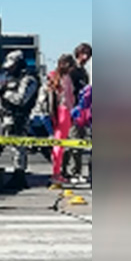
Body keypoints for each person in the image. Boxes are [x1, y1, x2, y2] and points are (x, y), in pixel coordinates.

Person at [0, 50, 40, 190]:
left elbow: (21, 99)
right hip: (6, 117)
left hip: (20, 118)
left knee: (18, 149)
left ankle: (19, 176)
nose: (9, 70)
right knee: (0, 147)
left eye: (12, 66)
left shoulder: (29, 79)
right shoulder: (11, 78)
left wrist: (5, 93)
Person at [48, 54, 77, 185]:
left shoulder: (53, 76)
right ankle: (56, 173)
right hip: (64, 111)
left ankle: (56, 171)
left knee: (58, 142)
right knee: (60, 143)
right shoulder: (65, 78)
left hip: (56, 111)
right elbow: (69, 98)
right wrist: (73, 112)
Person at [67, 43, 92, 182]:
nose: (86, 57)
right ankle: (72, 172)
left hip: (83, 112)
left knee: (81, 142)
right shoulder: (72, 71)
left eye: (88, 54)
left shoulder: (83, 72)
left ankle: (78, 171)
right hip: (73, 111)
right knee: (73, 142)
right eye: (84, 54)